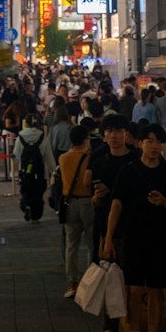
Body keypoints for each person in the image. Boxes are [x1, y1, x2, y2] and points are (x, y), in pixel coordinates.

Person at [102, 122, 166, 332]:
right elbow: (116, 204)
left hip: (160, 236)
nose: (155, 146)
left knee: (156, 290)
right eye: (150, 141)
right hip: (133, 235)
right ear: (140, 143)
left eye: (159, 142)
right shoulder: (128, 170)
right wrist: (108, 239)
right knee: (134, 289)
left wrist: (164, 201)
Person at [89, 113, 137, 332]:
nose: (113, 136)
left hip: (134, 228)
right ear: (104, 135)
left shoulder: (137, 160)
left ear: (126, 134)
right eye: (109, 132)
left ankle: (132, 331)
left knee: (133, 282)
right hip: (107, 229)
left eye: (118, 131)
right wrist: (95, 199)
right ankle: (109, 331)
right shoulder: (100, 163)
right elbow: (95, 201)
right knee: (110, 281)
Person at [59, 122, 94, 298]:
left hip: (70, 203)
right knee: (91, 243)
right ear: (85, 139)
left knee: (71, 245)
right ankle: (90, 281)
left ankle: (72, 282)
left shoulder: (63, 158)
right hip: (88, 202)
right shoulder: (90, 158)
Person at [14, 113, 52, 223]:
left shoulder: (20, 138)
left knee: (26, 191)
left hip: (25, 171)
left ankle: (25, 205)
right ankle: (35, 217)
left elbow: (16, 154)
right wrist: (53, 171)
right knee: (38, 195)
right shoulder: (43, 138)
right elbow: (48, 156)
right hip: (39, 172)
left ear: (25, 123)